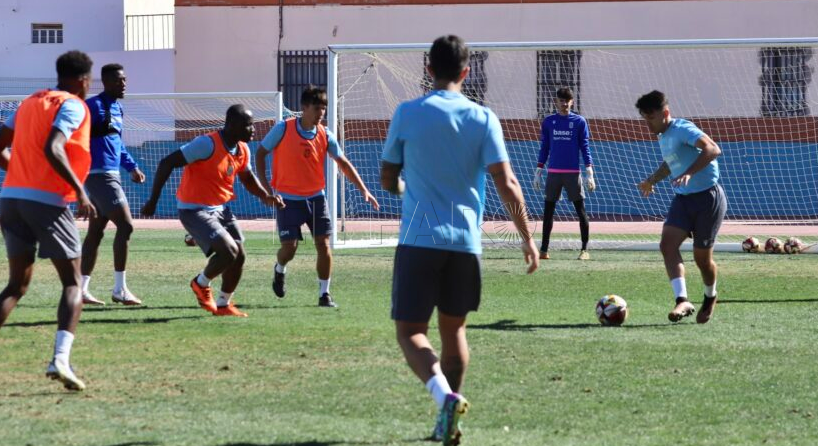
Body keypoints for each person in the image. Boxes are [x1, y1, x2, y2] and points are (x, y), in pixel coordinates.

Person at [380, 34, 538, 446]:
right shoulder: (483, 118)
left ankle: (444, 398)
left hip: (419, 240)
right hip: (465, 244)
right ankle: (447, 419)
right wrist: (527, 238)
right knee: (455, 334)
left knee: (410, 332)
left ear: (428, 69)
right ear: (466, 73)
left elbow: (387, 177)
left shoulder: (407, 112)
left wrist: (403, 188)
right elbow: (507, 183)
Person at [0, 50, 97, 392]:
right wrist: (80, 191)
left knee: (16, 285)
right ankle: (61, 360)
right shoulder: (73, 105)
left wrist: (23, 176)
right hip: (48, 202)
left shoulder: (28, 103)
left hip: (11, 200)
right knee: (73, 283)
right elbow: (55, 147)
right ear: (83, 80)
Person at [141, 105, 284, 317]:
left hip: (221, 209)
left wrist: (265, 196)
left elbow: (246, 177)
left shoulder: (242, 149)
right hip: (194, 210)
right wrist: (153, 201)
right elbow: (166, 163)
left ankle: (224, 304)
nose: (253, 129)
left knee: (239, 255)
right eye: (248, 125)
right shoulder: (206, 144)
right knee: (229, 251)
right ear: (232, 125)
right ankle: (200, 283)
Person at [255, 86, 379, 308]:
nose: (321, 113)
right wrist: (266, 189)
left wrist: (364, 189)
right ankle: (280, 269)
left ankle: (324, 294)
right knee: (289, 249)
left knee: (324, 245)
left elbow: (343, 162)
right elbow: (260, 153)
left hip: (316, 199)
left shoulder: (325, 134)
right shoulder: (283, 128)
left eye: (324, 108)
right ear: (304, 108)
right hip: (287, 200)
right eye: (317, 108)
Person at [634, 90, 726, 325]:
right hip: (683, 200)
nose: (648, 124)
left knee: (702, 260)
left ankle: (710, 296)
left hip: (708, 199)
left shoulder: (682, 129)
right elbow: (670, 162)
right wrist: (652, 180)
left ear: (665, 113)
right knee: (667, 245)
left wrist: (689, 173)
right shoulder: (663, 136)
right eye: (644, 119)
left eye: (651, 118)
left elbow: (713, 149)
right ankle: (682, 300)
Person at [80, 63, 146, 306]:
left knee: (95, 233)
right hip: (99, 176)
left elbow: (117, 142)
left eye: (125, 79)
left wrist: (132, 167)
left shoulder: (118, 108)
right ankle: (120, 289)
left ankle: (80, 290)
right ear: (106, 82)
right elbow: (75, 139)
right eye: (119, 80)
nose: (124, 84)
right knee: (126, 226)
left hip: (111, 174)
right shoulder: (92, 106)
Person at [533, 87, 595, 260]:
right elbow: (544, 147)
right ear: (556, 102)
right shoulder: (548, 122)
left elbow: (585, 147)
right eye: (561, 100)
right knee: (548, 212)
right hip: (553, 173)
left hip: (573, 174)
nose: (564, 103)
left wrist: (589, 171)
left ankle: (584, 250)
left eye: (567, 101)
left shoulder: (579, 122)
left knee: (580, 211)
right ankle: (544, 250)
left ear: (572, 102)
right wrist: (538, 171)